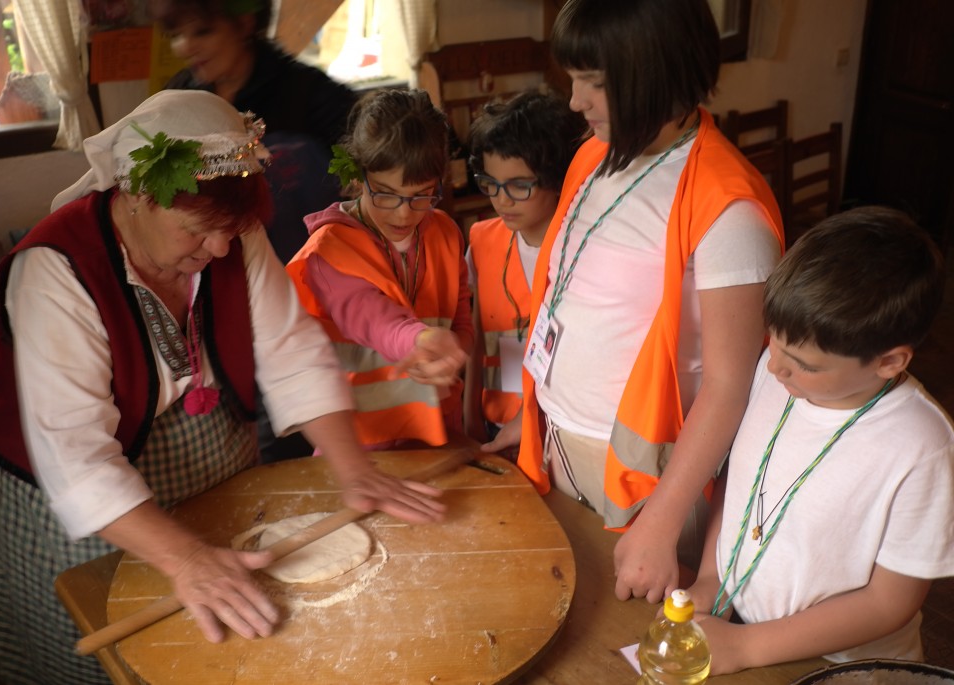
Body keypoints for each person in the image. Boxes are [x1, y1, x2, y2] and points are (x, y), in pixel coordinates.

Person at [0, 90, 445, 685]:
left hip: (200, 453)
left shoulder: (226, 232)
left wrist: (355, 471)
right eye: (201, 232)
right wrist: (187, 557)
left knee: (217, 647)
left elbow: (291, 351)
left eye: (234, 231)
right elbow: (76, 455)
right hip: (74, 488)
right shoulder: (53, 270)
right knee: (117, 648)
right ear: (140, 195)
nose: (222, 248)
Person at [483, 0, 786, 604]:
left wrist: (663, 519)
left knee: (627, 642)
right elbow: (567, 298)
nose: (575, 101)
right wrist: (531, 413)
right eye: (574, 79)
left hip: (651, 475)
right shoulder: (595, 155)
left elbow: (731, 383)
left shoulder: (729, 210)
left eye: (595, 84)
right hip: (560, 442)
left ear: (657, 74)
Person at [686, 207, 954, 674]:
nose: (773, 368)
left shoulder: (923, 447)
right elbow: (744, 483)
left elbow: (888, 603)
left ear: (889, 362)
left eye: (805, 364)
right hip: (741, 627)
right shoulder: (781, 376)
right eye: (774, 344)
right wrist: (712, 580)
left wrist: (749, 648)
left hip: (846, 667)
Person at [152, 0, 358, 460]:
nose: (186, 48)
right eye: (177, 35)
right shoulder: (180, 102)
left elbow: (362, 168)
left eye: (201, 31)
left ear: (244, 23)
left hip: (315, 295)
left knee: (310, 428)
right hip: (220, 293)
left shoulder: (307, 94)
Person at [287, 88, 473, 450]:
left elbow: (461, 322)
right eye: (385, 193)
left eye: (422, 194)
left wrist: (453, 352)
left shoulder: (446, 233)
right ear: (358, 176)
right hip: (361, 450)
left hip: (438, 436)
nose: (404, 213)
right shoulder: (329, 250)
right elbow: (372, 318)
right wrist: (421, 340)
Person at [462, 90, 586, 445]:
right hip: (497, 425)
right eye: (491, 184)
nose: (502, 200)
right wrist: (469, 412)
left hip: (563, 429)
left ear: (556, 177)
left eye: (519, 186)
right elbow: (474, 336)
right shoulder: (483, 241)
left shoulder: (584, 250)